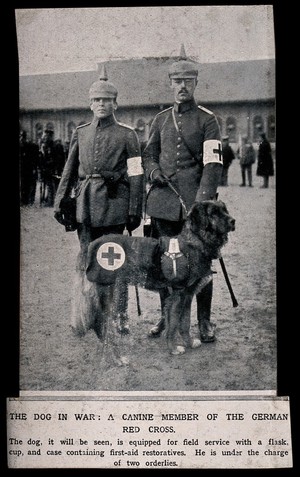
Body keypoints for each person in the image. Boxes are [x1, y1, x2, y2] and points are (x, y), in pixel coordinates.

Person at [54, 67, 144, 336]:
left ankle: (119, 315)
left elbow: (137, 174)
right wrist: (60, 200)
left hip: (115, 206)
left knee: (116, 261)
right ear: (90, 103)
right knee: (86, 261)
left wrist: (134, 209)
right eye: (96, 100)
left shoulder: (128, 134)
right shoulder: (80, 133)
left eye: (106, 100)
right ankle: (87, 314)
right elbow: (69, 170)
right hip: (86, 208)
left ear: (115, 103)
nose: (101, 104)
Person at [142, 45, 223, 343]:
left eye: (188, 81)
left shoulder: (207, 119)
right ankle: (166, 318)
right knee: (166, 261)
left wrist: (201, 205)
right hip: (163, 204)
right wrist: (153, 172)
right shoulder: (161, 119)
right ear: (170, 84)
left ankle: (204, 322)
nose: (182, 86)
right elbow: (147, 154)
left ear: (196, 83)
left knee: (201, 265)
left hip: (195, 207)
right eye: (177, 81)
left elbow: (213, 165)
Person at [19, 130, 39, 206]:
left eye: (23, 137)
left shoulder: (29, 146)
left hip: (27, 169)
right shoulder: (21, 145)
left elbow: (32, 158)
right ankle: (23, 200)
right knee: (23, 185)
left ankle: (26, 201)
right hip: (22, 169)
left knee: (26, 185)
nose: (21, 138)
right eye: (20, 136)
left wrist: (34, 168)